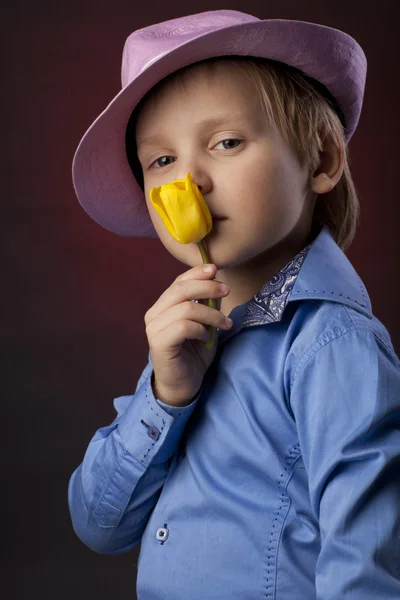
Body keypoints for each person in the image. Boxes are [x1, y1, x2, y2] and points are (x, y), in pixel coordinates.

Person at [68, 9, 400, 599]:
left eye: (226, 142)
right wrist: (166, 396)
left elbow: (367, 562)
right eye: (161, 161)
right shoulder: (186, 342)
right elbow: (98, 525)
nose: (187, 182)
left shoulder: (330, 342)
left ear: (320, 160)